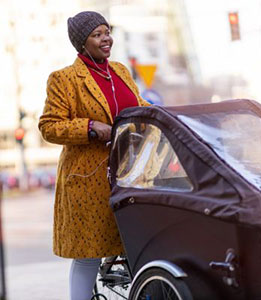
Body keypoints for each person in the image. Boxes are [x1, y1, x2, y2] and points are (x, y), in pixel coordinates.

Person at [38, 11, 150, 300]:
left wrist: (163, 116)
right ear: (82, 42)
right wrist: (91, 128)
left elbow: (140, 105)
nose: (106, 38)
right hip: (88, 180)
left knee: (136, 245)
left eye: (107, 31)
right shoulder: (64, 79)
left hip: (128, 171)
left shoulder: (121, 72)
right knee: (88, 255)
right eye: (97, 34)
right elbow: (49, 126)